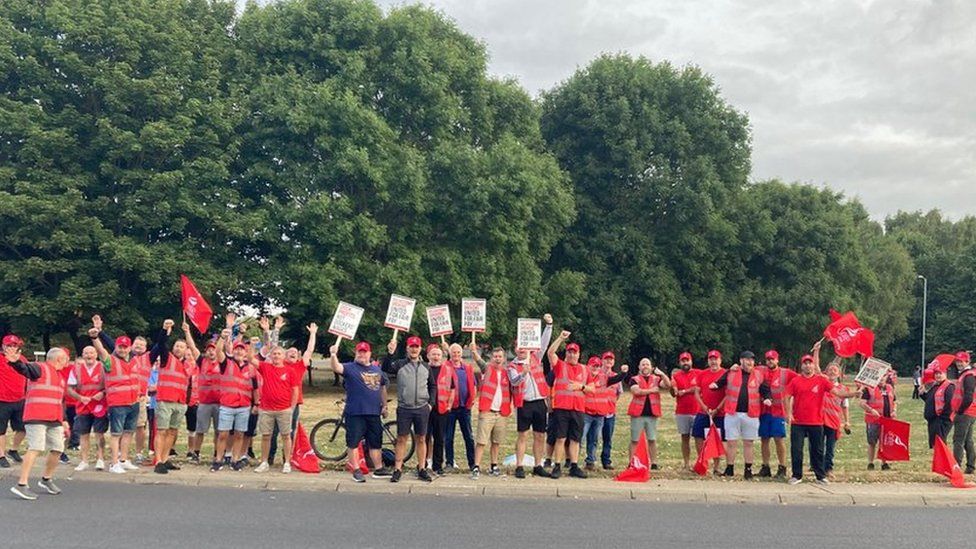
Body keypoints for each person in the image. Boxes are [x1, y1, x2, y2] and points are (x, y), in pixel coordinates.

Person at [5, 346, 71, 500]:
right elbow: (25, 369)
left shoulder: (60, 377)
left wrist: (65, 419)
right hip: (36, 416)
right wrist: (15, 363)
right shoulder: (40, 368)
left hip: (55, 418)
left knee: (57, 448)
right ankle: (21, 484)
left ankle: (46, 479)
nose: (67, 361)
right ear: (58, 359)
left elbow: (61, 401)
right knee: (35, 447)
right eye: (66, 359)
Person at [783, 344, 848, 485]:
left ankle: (820, 475)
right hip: (798, 421)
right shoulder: (795, 381)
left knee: (818, 450)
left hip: (816, 422)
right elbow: (786, 396)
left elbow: (838, 393)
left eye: (810, 363)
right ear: (802, 366)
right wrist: (788, 413)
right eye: (805, 364)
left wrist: (853, 393)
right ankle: (797, 475)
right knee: (797, 449)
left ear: (813, 366)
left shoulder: (821, 380)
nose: (808, 366)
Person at [329, 340, 392, 482]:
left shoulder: (377, 370)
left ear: (370, 354)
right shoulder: (350, 367)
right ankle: (356, 470)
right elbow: (336, 367)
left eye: (364, 352)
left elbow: (382, 388)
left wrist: (384, 406)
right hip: (355, 412)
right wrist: (333, 355)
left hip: (374, 413)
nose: (362, 354)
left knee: (375, 442)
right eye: (359, 352)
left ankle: (378, 469)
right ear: (355, 353)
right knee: (353, 442)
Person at [710, 351, 771, 479]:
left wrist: (767, 398)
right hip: (733, 413)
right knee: (731, 442)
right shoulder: (732, 372)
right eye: (747, 360)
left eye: (752, 360)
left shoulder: (758, 375)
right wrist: (715, 385)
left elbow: (765, 389)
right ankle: (729, 468)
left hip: (751, 414)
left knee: (748, 442)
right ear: (741, 360)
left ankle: (748, 470)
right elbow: (720, 382)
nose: (750, 362)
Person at [89, 327, 141, 474]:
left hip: (133, 402)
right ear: (116, 347)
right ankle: (114, 463)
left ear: (129, 348)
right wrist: (95, 338)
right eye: (120, 347)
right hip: (118, 403)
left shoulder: (134, 361)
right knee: (116, 434)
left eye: (125, 347)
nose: (122, 350)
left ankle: (123, 460)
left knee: (128, 432)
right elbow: (101, 351)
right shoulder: (110, 361)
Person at [382, 334, 433, 483]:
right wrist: (390, 353)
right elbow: (385, 368)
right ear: (407, 348)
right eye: (412, 346)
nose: (414, 349)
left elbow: (432, 385)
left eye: (417, 347)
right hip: (405, 408)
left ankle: (422, 468)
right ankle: (398, 469)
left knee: (422, 438)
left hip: (422, 408)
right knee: (401, 438)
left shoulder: (426, 367)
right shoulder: (400, 364)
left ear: (420, 349)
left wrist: (431, 402)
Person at [508, 314, 553, 478]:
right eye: (518, 347)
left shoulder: (535, 357)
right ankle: (519, 466)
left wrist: (549, 325)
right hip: (524, 403)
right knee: (523, 435)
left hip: (539, 401)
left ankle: (538, 465)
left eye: (523, 346)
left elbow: (544, 343)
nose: (521, 349)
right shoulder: (513, 365)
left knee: (540, 435)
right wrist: (523, 374)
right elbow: (513, 381)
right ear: (515, 349)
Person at [153, 320, 198, 474]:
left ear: (186, 350)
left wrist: (187, 332)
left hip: (180, 402)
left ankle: (165, 459)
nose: (179, 349)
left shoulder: (189, 363)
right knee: (162, 431)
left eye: (182, 347)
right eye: (177, 346)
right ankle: (158, 461)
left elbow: (195, 350)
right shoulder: (166, 358)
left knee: (172, 432)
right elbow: (160, 343)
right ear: (173, 348)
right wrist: (165, 329)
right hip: (165, 400)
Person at [268, 321, 316, 466]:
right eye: (290, 352)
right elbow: (273, 348)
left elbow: (309, 351)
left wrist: (313, 334)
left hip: (293, 405)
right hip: (276, 403)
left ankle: (286, 459)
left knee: (289, 432)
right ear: (284, 356)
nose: (293, 353)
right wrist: (276, 330)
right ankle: (269, 457)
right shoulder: (278, 364)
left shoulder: (300, 366)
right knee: (273, 432)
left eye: (295, 353)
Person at [212, 330, 259, 472]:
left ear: (245, 353)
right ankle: (219, 460)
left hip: (243, 406)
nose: (239, 351)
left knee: (240, 434)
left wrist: (256, 404)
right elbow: (218, 351)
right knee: (223, 434)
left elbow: (255, 388)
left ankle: (235, 459)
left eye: (242, 349)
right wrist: (222, 337)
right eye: (237, 349)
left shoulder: (250, 368)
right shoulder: (226, 363)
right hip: (227, 405)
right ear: (233, 350)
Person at [545, 330, 588, 479]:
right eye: (569, 352)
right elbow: (550, 353)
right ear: (566, 354)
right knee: (560, 438)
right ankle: (557, 465)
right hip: (562, 408)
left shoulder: (584, 369)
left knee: (575, 439)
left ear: (578, 354)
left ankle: (574, 466)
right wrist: (560, 338)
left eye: (574, 353)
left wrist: (581, 387)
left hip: (578, 408)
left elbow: (592, 388)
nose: (571, 355)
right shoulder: (560, 366)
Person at [254, 346, 300, 474]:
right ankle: (264, 462)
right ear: (271, 356)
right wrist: (253, 345)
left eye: (279, 354)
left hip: (284, 409)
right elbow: (250, 359)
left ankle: (287, 462)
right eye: (274, 354)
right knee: (266, 436)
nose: (276, 356)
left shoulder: (290, 371)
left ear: (283, 356)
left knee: (286, 436)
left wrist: (292, 407)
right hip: (266, 409)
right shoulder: (265, 367)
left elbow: (295, 390)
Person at [470, 347, 514, 479]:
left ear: (504, 358)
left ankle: (493, 465)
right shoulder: (487, 369)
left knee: (496, 441)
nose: (498, 358)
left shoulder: (507, 373)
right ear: (491, 358)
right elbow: (478, 360)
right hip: (487, 411)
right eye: (495, 356)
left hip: (501, 412)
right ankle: (476, 466)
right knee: (481, 441)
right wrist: (474, 351)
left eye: (500, 356)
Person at [580, 354, 628, 471]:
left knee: (595, 439)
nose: (595, 368)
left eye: (597, 366)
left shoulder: (605, 378)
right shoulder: (583, 377)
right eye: (593, 366)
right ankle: (572, 462)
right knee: (580, 438)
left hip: (601, 414)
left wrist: (624, 373)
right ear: (588, 366)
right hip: (586, 413)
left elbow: (616, 381)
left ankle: (591, 461)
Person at [756, 349, 796, 478]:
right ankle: (765, 467)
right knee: (764, 439)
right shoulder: (761, 371)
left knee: (779, 439)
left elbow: (801, 379)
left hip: (779, 412)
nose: (770, 361)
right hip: (764, 411)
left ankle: (782, 467)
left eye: (772, 359)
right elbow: (746, 367)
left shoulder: (785, 373)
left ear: (777, 360)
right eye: (768, 359)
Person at [66, 347, 107, 472]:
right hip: (82, 405)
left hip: (99, 405)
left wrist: (103, 393)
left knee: (99, 433)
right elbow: (69, 388)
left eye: (91, 353)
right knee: (83, 434)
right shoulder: (76, 369)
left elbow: (111, 384)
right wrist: (80, 397)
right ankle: (84, 460)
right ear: (82, 355)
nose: (89, 355)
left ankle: (100, 459)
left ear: (96, 355)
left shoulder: (103, 367)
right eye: (86, 353)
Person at [626, 358, 670, 470]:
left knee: (652, 439)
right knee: (634, 440)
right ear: (639, 367)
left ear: (651, 367)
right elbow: (636, 391)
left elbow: (668, 385)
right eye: (643, 364)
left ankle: (654, 463)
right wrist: (652, 390)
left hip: (652, 414)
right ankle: (632, 462)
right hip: (637, 414)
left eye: (647, 364)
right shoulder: (634, 379)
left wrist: (662, 374)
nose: (645, 366)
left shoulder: (656, 379)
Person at [690, 350, 727, 475]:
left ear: (720, 360)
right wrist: (704, 407)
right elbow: (696, 391)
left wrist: (718, 409)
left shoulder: (725, 374)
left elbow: (728, 395)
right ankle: (702, 462)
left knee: (717, 439)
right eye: (711, 359)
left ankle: (716, 467)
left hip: (720, 413)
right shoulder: (702, 374)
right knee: (698, 435)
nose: (713, 361)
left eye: (715, 359)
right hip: (703, 412)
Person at [442, 342, 477, 472]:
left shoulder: (468, 368)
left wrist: (472, 399)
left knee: (468, 436)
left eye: (458, 352)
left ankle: (472, 463)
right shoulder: (445, 367)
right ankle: (449, 463)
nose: (456, 355)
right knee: (448, 437)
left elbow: (473, 385)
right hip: (450, 408)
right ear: (449, 354)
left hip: (465, 407)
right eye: (453, 352)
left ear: (461, 354)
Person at [822, 362, 856, 478]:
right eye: (830, 370)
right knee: (818, 445)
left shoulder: (843, 389)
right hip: (820, 420)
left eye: (835, 370)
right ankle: (817, 466)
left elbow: (845, 406)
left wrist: (847, 421)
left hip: (834, 421)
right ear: (825, 372)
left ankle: (828, 468)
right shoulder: (822, 384)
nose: (832, 372)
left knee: (830, 446)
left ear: (839, 374)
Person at [192, 340, 222, 464]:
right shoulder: (202, 361)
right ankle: (196, 453)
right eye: (209, 349)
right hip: (204, 402)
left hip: (219, 402)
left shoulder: (222, 363)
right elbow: (193, 347)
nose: (211, 351)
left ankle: (216, 454)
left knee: (218, 431)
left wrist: (225, 335)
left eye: (213, 349)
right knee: (200, 430)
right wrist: (187, 332)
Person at [426, 344, 454, 475]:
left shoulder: (447, 370)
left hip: (441, 408)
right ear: (428, 356)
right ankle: (424, 464)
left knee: (439, 438)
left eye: (438, 354)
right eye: (433, 354)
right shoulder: (424, 369)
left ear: (441, 356)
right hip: (425, 408)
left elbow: (452, 389)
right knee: (424, 437)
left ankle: (438, 465)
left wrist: (450, 404)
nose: (436, 357)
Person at [0, 334, 27, 469]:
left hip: (20, 399)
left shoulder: (22, 359)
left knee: (22, 428)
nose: (11, 348)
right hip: (2, 400)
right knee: (1, 430)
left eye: (14, 345)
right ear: (3, 346)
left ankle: (14, 450)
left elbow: (29, 375)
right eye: (8, 345)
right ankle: (1, 456)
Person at [670, 352, 699, 470]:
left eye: (687, 360)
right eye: (683, 361)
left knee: (699, 439)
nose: (685, 363)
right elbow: (673, 393)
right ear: (680, 362)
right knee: (685, 438)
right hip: (681, 411)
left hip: (697, 411)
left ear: (691, 361)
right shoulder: (676, 376)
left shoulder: (698, 373)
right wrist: (673, 389)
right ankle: (686, 464)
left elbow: (698, 388)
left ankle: (700, 462)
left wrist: (685, 391)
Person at [861, 374, 897, 471]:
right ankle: (870, 463)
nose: (881, 379)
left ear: (886, 377)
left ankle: (884, 463)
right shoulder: (869, 388)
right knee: (872, 441)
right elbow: (862, 403)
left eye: (883, 376)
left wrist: (894, 411)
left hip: (887, 419)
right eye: (879, 377)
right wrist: (871, 410)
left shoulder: (890, 388)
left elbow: (894, 401)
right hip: (873, 419)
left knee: (885, 442)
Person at [950, 351, 976, 473]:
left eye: (961, 361)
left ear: (967, 361)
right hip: (969, 412)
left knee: (958, 440)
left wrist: (960, 411)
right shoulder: (965, 374)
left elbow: (968, 396)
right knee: (967, 440)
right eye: (957, 361)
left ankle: (956, 467)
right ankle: (970, 466)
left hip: (965, 412)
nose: (958, 363)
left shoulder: (968, 375)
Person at [600, 351, 624, 470]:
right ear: (602, 360)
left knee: (607, 438)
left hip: (610, 412)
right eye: (606, 359)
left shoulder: (617, 377)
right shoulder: (597, 374)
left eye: (611, 359)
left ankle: (606, 461)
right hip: (597, 412)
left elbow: (618, 394)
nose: (608, 361)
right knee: (592, 438)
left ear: (613, 362)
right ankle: (590, 460)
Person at [923, 367, 954, 449]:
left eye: (940, 373)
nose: (938, 375)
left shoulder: (949, 386)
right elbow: (930, 399)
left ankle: (944, 461)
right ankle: (938, 460)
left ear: (945, 374)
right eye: (936, 374)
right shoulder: (936, 386)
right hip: (933, 419)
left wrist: (942, 417)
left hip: (941, 419)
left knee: (940, 443)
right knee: (935, 443)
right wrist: (922, 394)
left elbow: (950, 404)